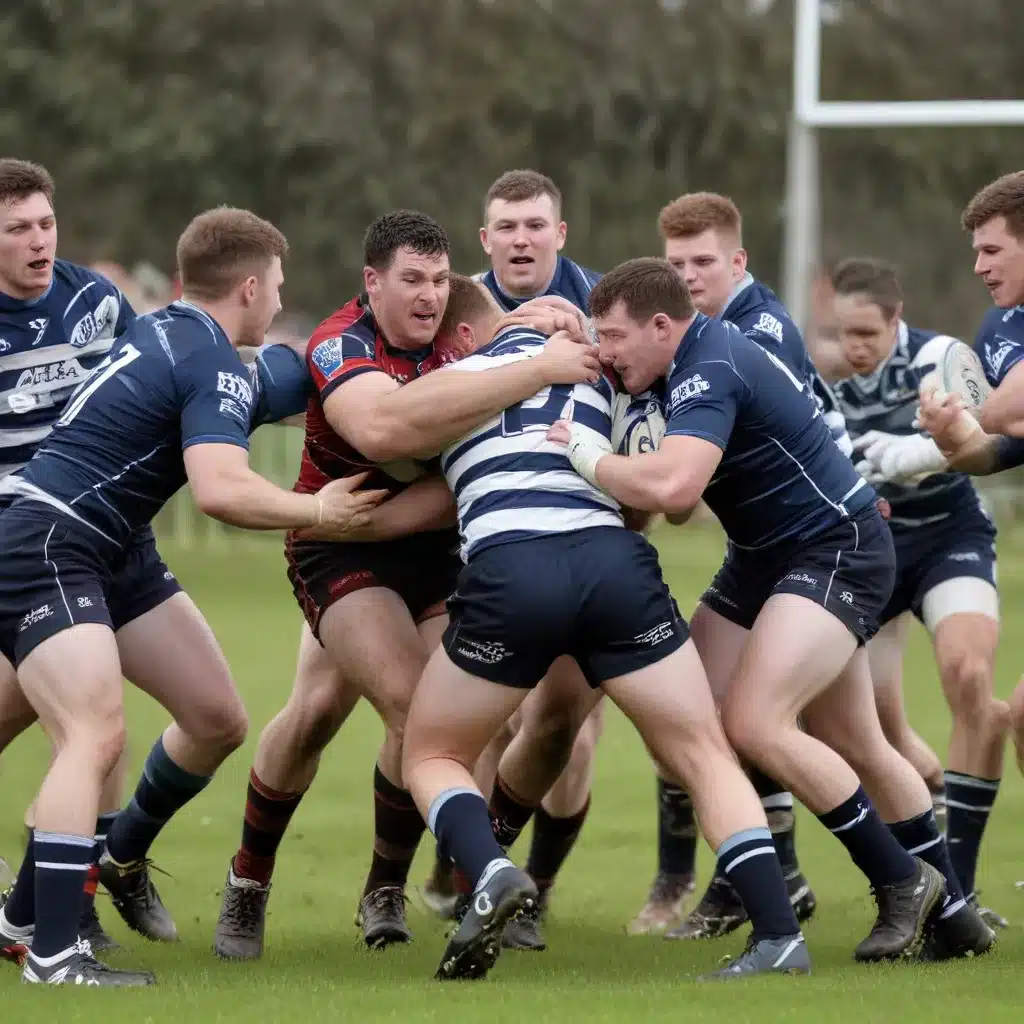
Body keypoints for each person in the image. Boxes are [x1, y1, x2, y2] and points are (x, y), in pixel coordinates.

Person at [558, 256, 994, 963]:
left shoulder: (710, 364)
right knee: (724, 716)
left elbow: (674, 492)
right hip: (765, 557)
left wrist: (587, 456)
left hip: (834, 547)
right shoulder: (675, 365)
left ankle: (897, 882)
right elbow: (669, 506)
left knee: (756, 722)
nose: (605, 352)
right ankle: (955, 913)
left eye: (613, 336)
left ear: (663, 327)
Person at [0, 206, 380, 987]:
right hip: (52, 544)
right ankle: (52, 951)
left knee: (214, 715)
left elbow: (279, 375)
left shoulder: (176, 330)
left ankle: (35, 904)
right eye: (278, 282)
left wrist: (387, 342)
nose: (281, 294)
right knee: (92, 735)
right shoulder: (201, 356)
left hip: (114, 549)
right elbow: (218, 488)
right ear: (249, 285)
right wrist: (318, 511)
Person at [213, 212, 602, 958]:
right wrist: (532, 365)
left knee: (444, 718)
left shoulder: (467, 337)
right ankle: (248, 880)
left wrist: (532, 329)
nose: (428, 297)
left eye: (437, 281)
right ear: (372, 283)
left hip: (423, 548)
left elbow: (467, 480)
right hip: (336, 545)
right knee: (356, 709)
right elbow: (385, 433)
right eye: (410, 281)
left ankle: (385, 887)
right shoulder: (341, 342)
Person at [403, 275, 810, 983]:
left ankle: (492, 872)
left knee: (432, 752)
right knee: (701, 751)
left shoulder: (447, 382)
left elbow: (384, 434)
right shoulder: (598, 366)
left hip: (512, 570)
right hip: (614, 565)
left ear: (459, 338)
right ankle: (778, 935)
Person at [631, 192, 833, 938]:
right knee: (698, 708)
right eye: (676, 265)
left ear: (739, 262)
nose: (687, 278)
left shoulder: (757, 332)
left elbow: (688, 486)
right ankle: (759, 878)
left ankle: (933, 882)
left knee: (842, 734)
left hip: (817, 542)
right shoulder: (705, 332)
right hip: (767, 549)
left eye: (703, 263)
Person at [424, 170, 604, 953]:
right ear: (484, 237)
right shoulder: (448, 306)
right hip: (458, 541)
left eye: (536, 225)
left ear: (560, 234)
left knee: (565, 724)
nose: (522, 239)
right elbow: (404, 403)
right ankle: (449, 880)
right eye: (507, 226)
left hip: (587, 546)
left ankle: (526, 888)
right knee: (455, 723)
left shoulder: (601, 309)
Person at [829, 257, 1008, 928]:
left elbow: (978, 427)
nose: (855, 347)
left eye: (867, 334)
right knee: (871, 725)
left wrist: (910, 452)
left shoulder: (938, 358)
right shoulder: (827, 381)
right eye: (844, 333)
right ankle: (931, 794)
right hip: (873, 552)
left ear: (895, 321)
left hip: (949, 538)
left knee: (967, 675)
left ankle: (960, 888)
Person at [918, 169, 1024, 777]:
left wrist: (972, 411)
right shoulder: (1000, 327)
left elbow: (1008, 408)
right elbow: (994, 451)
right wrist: (952, 436)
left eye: (992, 250)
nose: (980, 267)